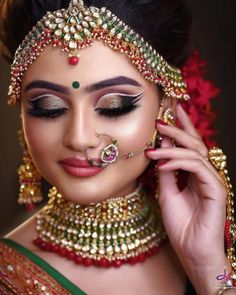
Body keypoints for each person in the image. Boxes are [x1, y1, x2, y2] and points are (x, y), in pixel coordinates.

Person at [0, 0, 235, 294]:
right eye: (49, 107)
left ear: (166, 108)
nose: (79, 137)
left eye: (115, 106)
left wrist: (208, 268)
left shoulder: (206, 241)